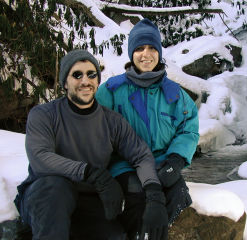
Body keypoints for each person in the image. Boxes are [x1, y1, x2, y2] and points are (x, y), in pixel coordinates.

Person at [14, 49, 168, 240]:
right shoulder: (44, 115)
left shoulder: (112, 121)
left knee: (115, 236)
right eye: (76, 75)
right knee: (56, 189)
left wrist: (154, 194)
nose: (85, 81)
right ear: (64, 82)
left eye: (91, 74)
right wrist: (91, 173)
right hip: (44, 196)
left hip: (87, 201)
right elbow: (40, 158)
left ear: (97, 80)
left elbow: (141, 155)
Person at [96, 18, 199, 239]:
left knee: (179, 194)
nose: (146, 54)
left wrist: (176, 160)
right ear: (131, 53)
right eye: (140, 48)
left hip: (163, 162)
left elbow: (188, 129)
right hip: (125, 165)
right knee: (136, 193)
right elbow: (95, 129)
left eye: (152, 48)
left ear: (159, 53)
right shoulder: (111, 91)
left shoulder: (175, 93)